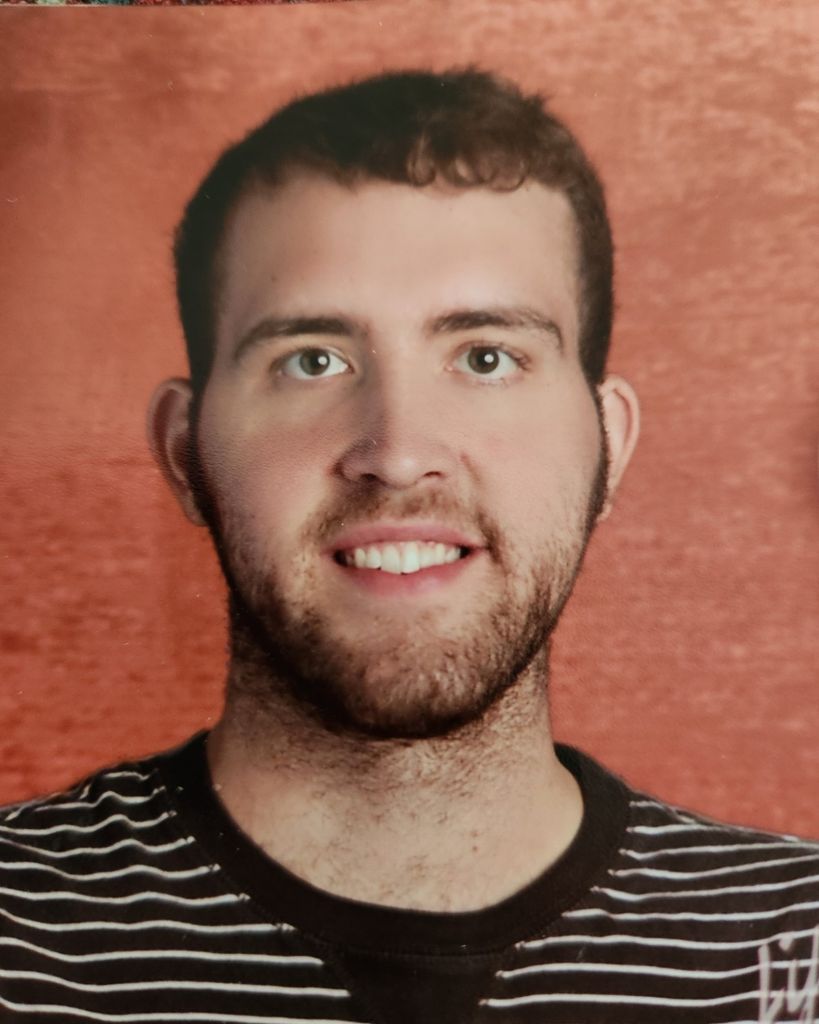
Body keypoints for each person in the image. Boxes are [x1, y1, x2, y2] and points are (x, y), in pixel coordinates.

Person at [0, 68, 816, 1024]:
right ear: (186, 454)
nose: (396, 454)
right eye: (312, 361)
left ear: (609, 447)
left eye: (485, 357)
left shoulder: (794, 948)